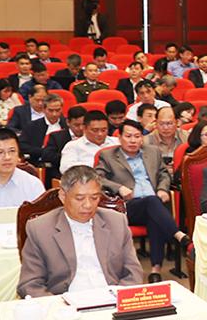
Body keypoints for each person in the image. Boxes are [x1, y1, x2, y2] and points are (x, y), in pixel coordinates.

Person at [17, 165, 144, 297]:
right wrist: (58, 308)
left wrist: (121, 298)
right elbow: (29, 284)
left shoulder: (116, 221)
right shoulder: (40, 228)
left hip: (112, 300)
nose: (88, 205)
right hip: (65, 305)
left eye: (94, 198)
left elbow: (133, 272)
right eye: (79, 198)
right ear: (63, 196)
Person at [96, 120, 190, 281]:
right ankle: (178, 235)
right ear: (120, 138)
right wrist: (118, 187)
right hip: (126, 207)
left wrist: (162, 188)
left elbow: (163, 174)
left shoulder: (152, 151)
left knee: (154, 214)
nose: (133, 140)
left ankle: (155, 270)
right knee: (152, 203)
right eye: (128, 136)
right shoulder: (108, 155)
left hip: (153, 205)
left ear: (142, 138)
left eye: (137, 136)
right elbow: (97, 178)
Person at [20, 94, 65, 165]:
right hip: (38, 162)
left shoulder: (67, 125)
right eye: (50, 110)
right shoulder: (32, 126)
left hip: (62, 162)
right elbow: (22, 145)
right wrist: (42, 151)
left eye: (57, 110)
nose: (54, 114)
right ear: (44, 109)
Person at [144, 105, 187, 170]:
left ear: (177, 122)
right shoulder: (146, 141)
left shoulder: (187, 137)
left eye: (169, 123)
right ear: (155, 123)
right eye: (161, 124)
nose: (165, 128)